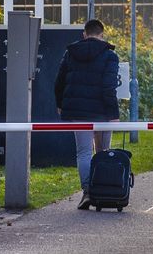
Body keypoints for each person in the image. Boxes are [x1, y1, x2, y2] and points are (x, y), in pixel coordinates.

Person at [54, 19, 120, 210]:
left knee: (83, 152)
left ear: (84, 34)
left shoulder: (71, 53)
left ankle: (87, 192)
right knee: (103, 152)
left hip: (78, 110)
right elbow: (109, 87)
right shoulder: (110, 56)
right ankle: (105, 192)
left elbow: (59, 81)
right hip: (102, 112)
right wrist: (113, 114)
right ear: (102, 34)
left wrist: (60, 104)